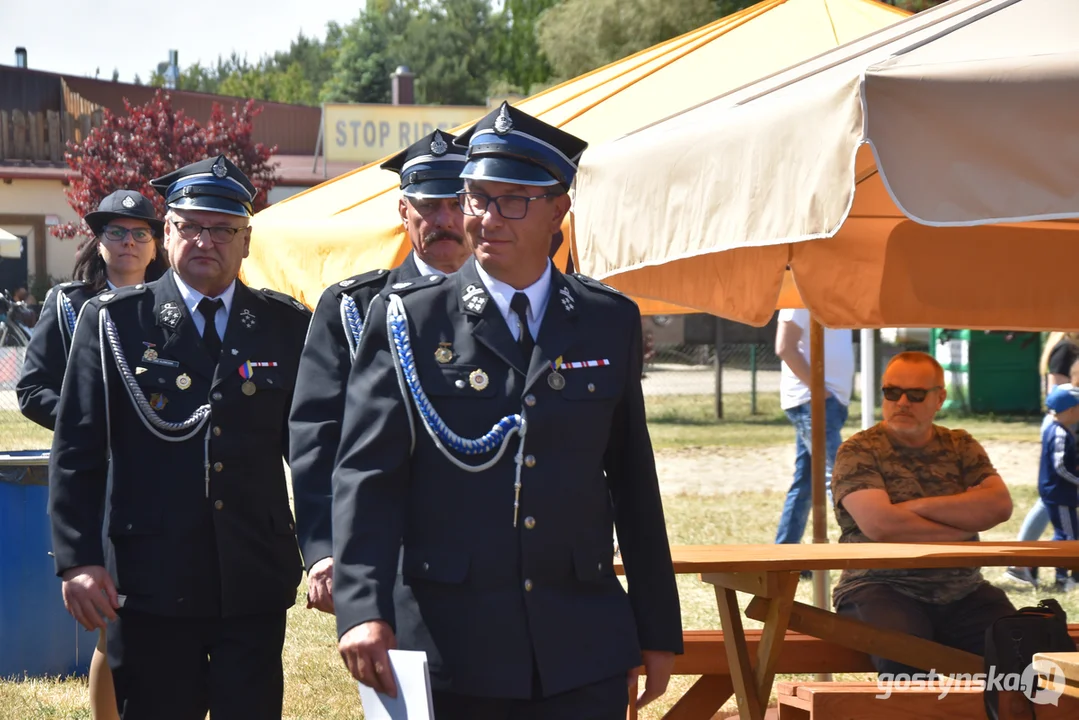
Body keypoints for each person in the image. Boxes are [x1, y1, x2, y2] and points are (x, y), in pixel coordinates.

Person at [331, 103, 683, 719]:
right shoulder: (410, 319)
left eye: (511, 201)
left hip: (579, 639)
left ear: (559, 211)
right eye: (476, 198)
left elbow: (632, 480)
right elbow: (368, 475)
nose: (486, 218)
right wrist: (362, 609)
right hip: (451, 639)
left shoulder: (607, 320)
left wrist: (655, 626)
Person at [48, 155, 310, 720]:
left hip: (252, 575)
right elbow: (77, 451)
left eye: (222, 229)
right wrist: (78, 559)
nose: (204, 241)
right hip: (151, 576)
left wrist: (327, 548)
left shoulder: (285, 324)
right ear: (167, 234)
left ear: (246, 241)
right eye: (189, 225)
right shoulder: (115, 321)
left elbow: (311, 449)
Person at [289, 129, 471, 614]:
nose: (445, 219)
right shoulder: (353, 306)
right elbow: (316, 432)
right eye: (429, 206)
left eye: (457, 203)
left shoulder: (515, 304)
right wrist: (324, 548)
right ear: (403, 212)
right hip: (389, 555)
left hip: (496, 556)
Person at [16, 189, 168, 720]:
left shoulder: (176, 305)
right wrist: (93, 427)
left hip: (169, 483)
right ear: (98, 241)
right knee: (114, 619)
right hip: (101, 483)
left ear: (156, 244)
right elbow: (32, 390)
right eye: (115, 232)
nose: (127, 243)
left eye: (139, 233)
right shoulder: (68, 304)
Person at [831, 351, 1015, 676]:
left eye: (915, 394)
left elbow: (999, 506)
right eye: (892, 392)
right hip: (879, 586)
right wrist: (960, 524)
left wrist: (918, 507)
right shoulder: (858, 450)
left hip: (963, 589)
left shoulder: (960, 445)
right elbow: (881, 525)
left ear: (939, 398)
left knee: (1028, 649)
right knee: (906, 655)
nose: (902, 402)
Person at [773, 309, 854, 550]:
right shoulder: (799, 295)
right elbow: (785, 346)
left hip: (826, 401)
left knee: (806, 482)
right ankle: (860, 543)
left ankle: (786, 554)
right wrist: (818, 390)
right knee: (839, 475)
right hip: (812, 401)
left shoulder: (830, 294)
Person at [1005, 333, 1079, 587]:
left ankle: (1027, 563)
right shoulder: (1066, 349)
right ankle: (1024, 564)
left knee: (1063, 523)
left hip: (1068, 423)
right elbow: (1058, 394)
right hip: (1065, 427)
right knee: (1058, 518)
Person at [1038, 384, 1079, 592]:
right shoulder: (1059, 434)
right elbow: (1061, 467)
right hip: (1059, 493)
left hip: (1061, 493)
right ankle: (1062, 578)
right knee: (1069, 537)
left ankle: (1064, 574)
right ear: (1071, 410)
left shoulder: (1061, 429)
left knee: (1066, 533)